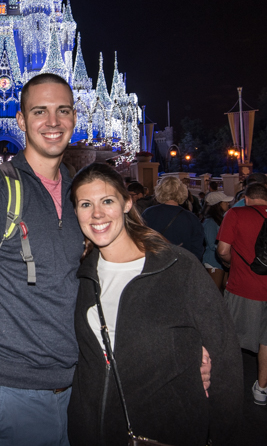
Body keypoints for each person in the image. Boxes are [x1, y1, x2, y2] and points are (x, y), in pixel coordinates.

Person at [0, 75, 213, 446]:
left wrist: (183, 345)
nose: (53, 122)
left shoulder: (80, 197)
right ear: (20, 120)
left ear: (74, 117)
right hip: (13, 394)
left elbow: (116, 279)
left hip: (81, 389)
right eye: (40, 111)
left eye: (62, 110)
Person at [68, 163, 243, 446]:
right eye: (85, 204)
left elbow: (224, 358)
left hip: (167, 431)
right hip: (93, 431)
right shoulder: (80, 273)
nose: (97, 213)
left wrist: (223, 434)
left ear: (127, 203)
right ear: (75, 211)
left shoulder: (177, 266)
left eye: (107, 201)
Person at [217, 183, 267, 405]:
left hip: (244, 286)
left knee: (231, 337)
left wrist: (231, 264)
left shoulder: (235, 213)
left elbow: (223, 250)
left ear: (246, 198)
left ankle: (226, 387)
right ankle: (262, 389)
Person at [143, 176, 205, 261]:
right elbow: (197, 249)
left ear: (159, 191)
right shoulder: (191, 218)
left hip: (155, 264)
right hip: (183, 265)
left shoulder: (149, 213)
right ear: (182, 191)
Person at [202, 191, 233, 290]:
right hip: (213, 261)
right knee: (214, 292)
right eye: (225, 202)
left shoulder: (221, 220)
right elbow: (211, 244)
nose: (228, 204)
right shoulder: (210, 222)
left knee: (223, 290)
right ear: (217, 205)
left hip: (220, 260)